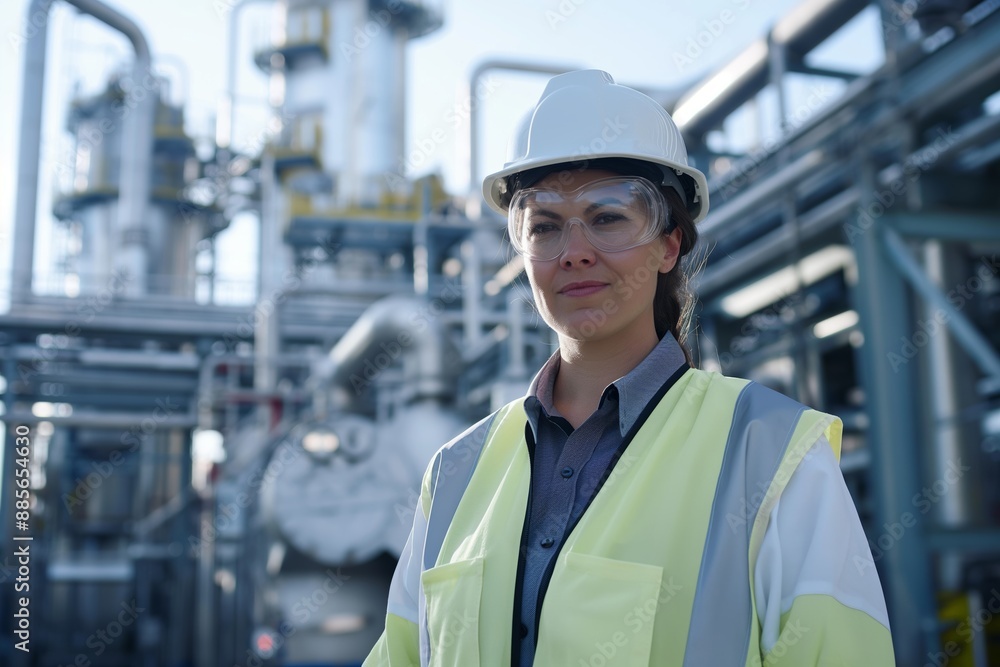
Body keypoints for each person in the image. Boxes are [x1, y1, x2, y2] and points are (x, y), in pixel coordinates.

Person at [364, 69, 895, 666]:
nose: (575, 251)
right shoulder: (457, 470)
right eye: (543, 226)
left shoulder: (769, 452)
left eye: (610, 216)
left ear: (670, 245)